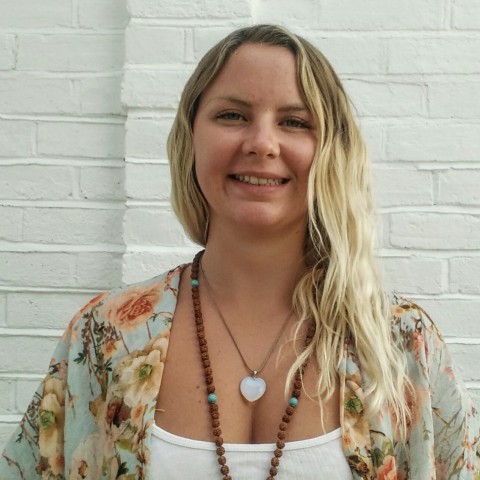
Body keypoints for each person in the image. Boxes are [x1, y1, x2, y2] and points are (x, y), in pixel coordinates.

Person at [1, 24, 478, 480]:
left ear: (333, 151)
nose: (262, 143)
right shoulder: (105, 334)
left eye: (295, 122)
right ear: (191, 136)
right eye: (232, 115)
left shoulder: (401, 344)